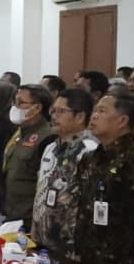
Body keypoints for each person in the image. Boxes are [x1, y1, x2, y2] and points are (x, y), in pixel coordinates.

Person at [68, 94, 134, 264]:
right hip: (87, 254)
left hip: (117, 262)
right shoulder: (90, 157)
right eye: (95, 110)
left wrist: (131, 263)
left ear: (122, 121)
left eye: (102, 111)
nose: (94, 116)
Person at [31, 89, 97, 254]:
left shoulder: (89, 150)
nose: (54, 116)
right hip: (41, 238)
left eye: (61, 111)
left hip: (69, 243)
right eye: (53, 111)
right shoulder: (50, 147)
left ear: (79, 117)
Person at [0, 83, 54, 229]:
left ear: (37, 108)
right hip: (11, 213)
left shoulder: (47, 137)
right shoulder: (19, 133)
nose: (15, 107)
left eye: (20, 103)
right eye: (14, 102)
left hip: (29, 218)